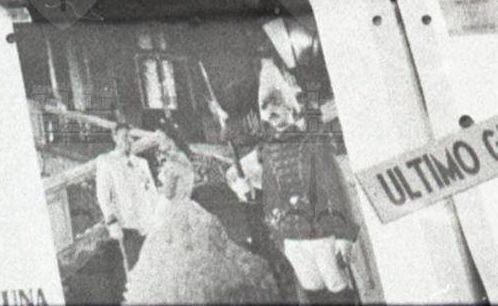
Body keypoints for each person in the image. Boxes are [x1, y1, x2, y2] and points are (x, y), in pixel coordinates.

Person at [246, 57, 358, 302]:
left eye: (276, 103)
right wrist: (280, 238)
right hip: (293, 238)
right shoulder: (267, 151)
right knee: (313, 292)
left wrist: (345, 234)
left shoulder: (313, 141)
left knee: (338, 290)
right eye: (265, 106)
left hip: (323, 231)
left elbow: (336, 187)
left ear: (290, 106)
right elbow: (270, 195)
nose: (272, 111)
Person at [124, 131, 279, 306]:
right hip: (190, 208)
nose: (162, 145)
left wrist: (153, 196)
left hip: (174, 213)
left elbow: (168, 194)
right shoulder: (184, 159)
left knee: (173, 263)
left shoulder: (172, 164)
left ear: (172, 141)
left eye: (165, 141)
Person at [94, 121, 159, 278]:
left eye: (130, 137)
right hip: (128, 226)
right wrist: (111, 221)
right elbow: (103, 195)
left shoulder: (141, 163)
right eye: (124, 137)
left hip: (149, 223)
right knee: (136, 272)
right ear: (115, 138)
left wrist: (158, 217)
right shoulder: (107, 161)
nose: (128, 141)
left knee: (155, 268)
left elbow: (152, 192)